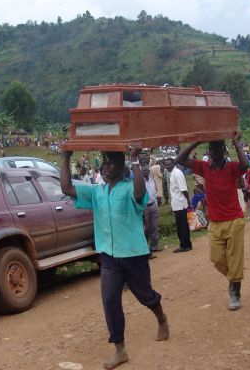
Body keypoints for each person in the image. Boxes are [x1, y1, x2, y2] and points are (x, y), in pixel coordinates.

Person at [60, 148, 169, 370]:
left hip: (133, 254)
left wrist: (134, 160)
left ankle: (161, 318)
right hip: (108, 256)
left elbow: (140, 195)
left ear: (122, 168)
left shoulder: (130, 188)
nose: (106, 166)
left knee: (145, 296)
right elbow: (66, 188)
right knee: (110, 300)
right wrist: (66, 156)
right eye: (104, 163)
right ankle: (120, 349)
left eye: (111, 163)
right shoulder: (96, 192)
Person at [176, 131, 249, 310]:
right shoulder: (204, 167)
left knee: (235, 259)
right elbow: (180, 160)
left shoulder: (232, 168)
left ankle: (235, 292)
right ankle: (233, 279)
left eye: (216, 150)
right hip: (215, 222)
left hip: (234, 220)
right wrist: (196, 141)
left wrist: (236, 143)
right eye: (210, 150)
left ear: (224, 151)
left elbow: (245, 165)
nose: (212, 153)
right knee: (216, 259)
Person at [163, 157, 192, 253]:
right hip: (176, 203)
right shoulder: (171, 173)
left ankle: (184, 245)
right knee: (182, 225)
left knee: (182, 226)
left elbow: (184, 189)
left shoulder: (177, 173)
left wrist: (188, 201)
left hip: (181, 204)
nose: (167, 166)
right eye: (165, 165)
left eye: (169, 164)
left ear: (173, 164)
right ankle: (187, 244)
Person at [142, 164, 161, 254]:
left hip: (153, 205)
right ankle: (145, 249)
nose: (146, 171)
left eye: (147, 170)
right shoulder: (140, 182)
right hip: (144, 207)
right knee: (146, 229)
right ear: (141, 171)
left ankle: (154, 246)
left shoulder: (151, 180)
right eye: (144, 170)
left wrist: (156, 202)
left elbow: (154, 192)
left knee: (154, 226)